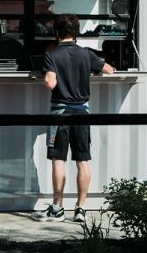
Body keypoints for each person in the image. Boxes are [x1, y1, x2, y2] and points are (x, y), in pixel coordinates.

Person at [33, 13, 114, 223]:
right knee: (82, 160)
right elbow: (109, 70)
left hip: (59, 114)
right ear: (75, 33)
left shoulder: (52, 54)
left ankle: (57, 208)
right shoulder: (86, 54)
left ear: (57, 32)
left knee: (59, 159)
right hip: (82, 113)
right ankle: (81, 209)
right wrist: (92, 71)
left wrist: (46, 76)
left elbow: (50, 83)